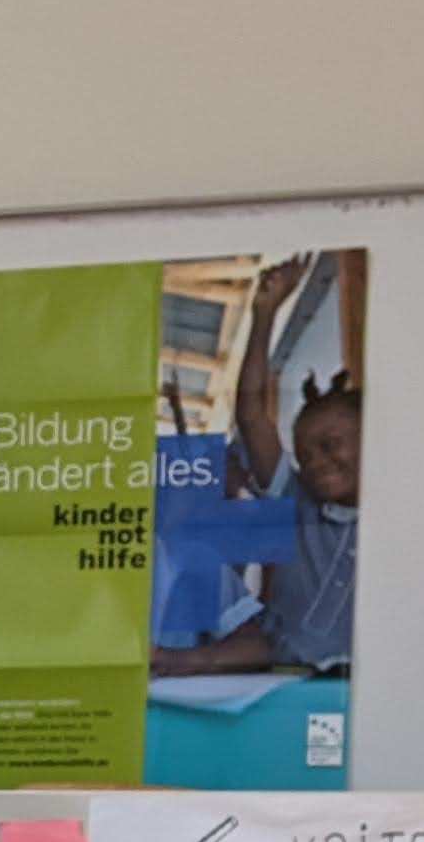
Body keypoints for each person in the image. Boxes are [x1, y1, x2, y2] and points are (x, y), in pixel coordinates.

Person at [155, 250, 361, 675]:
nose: (317, 462)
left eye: (331, 444)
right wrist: (264, 314)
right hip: (280, 675)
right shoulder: (296, 502)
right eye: (304, 454)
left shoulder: (403, 527)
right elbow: (250, 412)